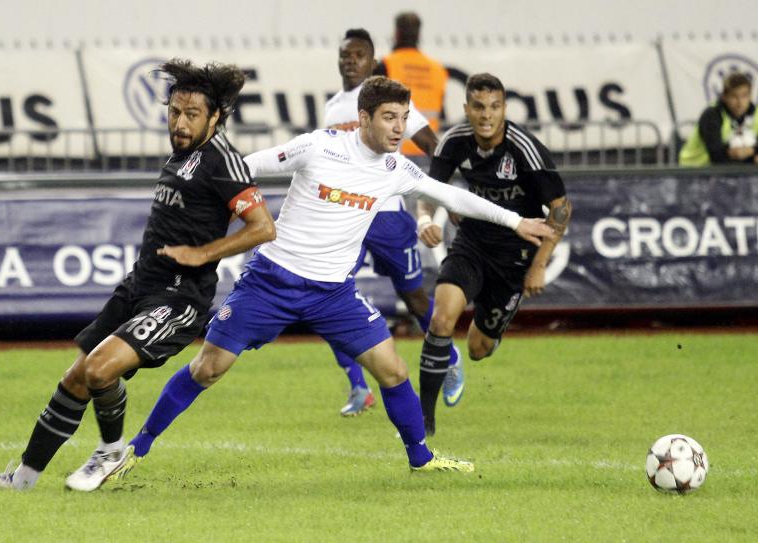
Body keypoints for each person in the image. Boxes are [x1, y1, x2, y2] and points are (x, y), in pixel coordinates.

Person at [103, 76, 555, 486]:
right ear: (363, 118)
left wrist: (516, 222)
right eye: (389, 118)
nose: (400, 129)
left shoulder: (396, 169)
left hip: (333, 294)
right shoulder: (318, 148)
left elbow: (451, 194)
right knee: (207, 368)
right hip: (271, 283)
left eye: (404, 118)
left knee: (394, 370)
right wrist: (190, 181)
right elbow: (244, 167)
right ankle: (134, 449)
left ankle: (421, 458)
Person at [0, 59, 276, 491]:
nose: (180, 123)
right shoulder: (182, 153)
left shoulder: (223, 161)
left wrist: (201, 253)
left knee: (98, 371)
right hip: (139, 285)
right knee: (75, 378)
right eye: (174, 112)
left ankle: (111, 449)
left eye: (191, 115)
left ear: (216, 116)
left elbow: (264, 227)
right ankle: (21, 480)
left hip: (178, 298)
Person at [416, 73, 572, 436]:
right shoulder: (454, 142)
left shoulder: (525, 149)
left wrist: (538, 265)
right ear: (467, 108)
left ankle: (482, 336)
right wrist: (424, 217)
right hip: (472, 243)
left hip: (515, 258)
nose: (487, 115)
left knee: (478, 349)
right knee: (441, 320)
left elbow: (561, 209)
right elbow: (428, 188)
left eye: (495, 107)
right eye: (479, 107)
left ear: (504, 108)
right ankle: (423, 422)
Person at [324, 28, 462, 417]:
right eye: (345, 54)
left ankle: (449, 357)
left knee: (415, 296)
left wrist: (444, 197)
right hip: (347, 218)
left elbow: (435, 147)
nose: (350, 60)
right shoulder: (333, 106)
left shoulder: (388, 99)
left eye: (358, 54)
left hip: (386, 216)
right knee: (324, 294)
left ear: (372, 60)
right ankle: (357, 386)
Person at [376, 12, 449, 159]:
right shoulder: (438, 69)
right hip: (428, 148)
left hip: (395, 151)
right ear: (418, 34)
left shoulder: (385, 65)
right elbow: (441, 113)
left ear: (396, 33)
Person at [680, 71, 758, 166]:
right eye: (734, 96)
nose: (740, 102)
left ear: (750, 96)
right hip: (692, 172)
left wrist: (751, 151)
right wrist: (752, 158)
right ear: (724, 97)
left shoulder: (756, 114)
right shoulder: (711, 115)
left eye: (744, 96)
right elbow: (717, 157)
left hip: (735, 174)